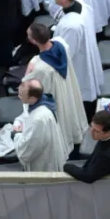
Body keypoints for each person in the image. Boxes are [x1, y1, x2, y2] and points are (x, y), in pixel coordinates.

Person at [24, 23, 87, 151]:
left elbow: (29, 87)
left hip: (55, 97)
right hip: (68, 90)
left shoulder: (40, 68)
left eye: (28, 35)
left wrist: (30, 68)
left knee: (61, 123)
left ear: (34, 41)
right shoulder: (61, 43)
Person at [13, 79, 70, 172]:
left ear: (32, 98)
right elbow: (25, 116)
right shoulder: (41, 102)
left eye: (21, 95)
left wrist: (17, 134)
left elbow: (27, 150)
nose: (19, 97)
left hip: (44, 163)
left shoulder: (39, 119)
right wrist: (18, 122)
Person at [64, 111, 110, 182]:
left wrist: (66, 166)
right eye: (91, 126)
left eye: (96, 131)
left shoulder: (107, 156)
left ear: (108, 133)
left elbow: (88, 177)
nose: (91, 131)